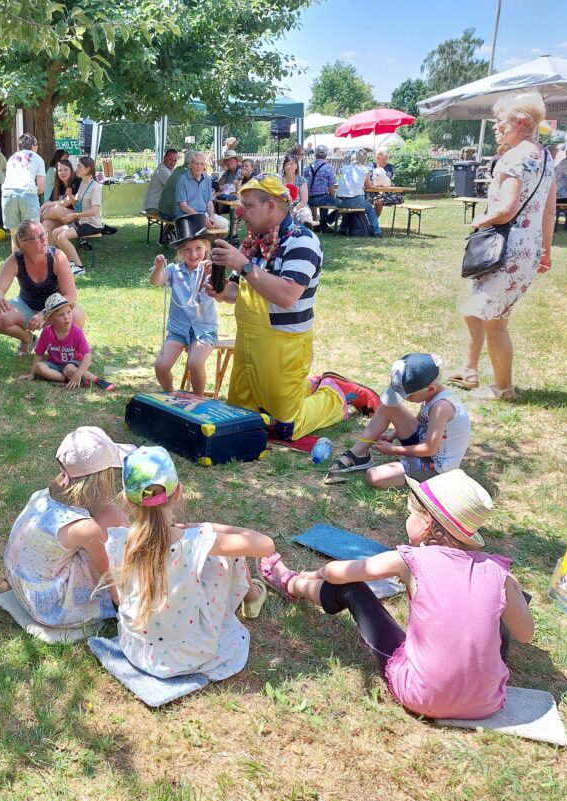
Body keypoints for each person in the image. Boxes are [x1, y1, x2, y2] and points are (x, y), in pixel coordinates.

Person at [259, 469, 534, 721]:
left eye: (410, 512)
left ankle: (290, 583)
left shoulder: (409, 560)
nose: (407, 518)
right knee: (500, 602)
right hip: (487, 702)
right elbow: (525, 634)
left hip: (420, 694)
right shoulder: (499, 574)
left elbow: (336, 574)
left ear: (426, 522)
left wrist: (316, 573)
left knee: (351, 589)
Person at [207, 175, 375, 442]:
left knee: (287, 427)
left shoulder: (302, 241)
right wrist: (219, 291)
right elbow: (236, 292)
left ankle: (337, 393)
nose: (240, 212)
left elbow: (287, 296)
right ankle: (306, 387)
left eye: (248, 206)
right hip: (248, 343)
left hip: (284, 345)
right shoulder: (253, 242)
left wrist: (244, 266)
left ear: (271, 206)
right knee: (241, 422)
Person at [105, 446, 274, 680]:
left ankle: (252, 599)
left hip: (137, 649)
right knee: (225, 557)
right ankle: (253, 599)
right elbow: (265, 544)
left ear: (128, 501)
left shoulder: (118, 539)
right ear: (178, 492)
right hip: (187, 654)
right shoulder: (195, 540)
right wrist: (207, 527)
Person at [448, 92, 554, 401]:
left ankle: (503, 388)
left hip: (503, 248)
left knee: (495, 322)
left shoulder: (514, 157)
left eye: (500, 121)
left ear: (520, 123)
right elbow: (549, 211)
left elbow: (506, 208)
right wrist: (546, 250)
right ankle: (468, 369)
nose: (496, 127)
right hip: (526, 249)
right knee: (476, 308)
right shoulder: (545, 157)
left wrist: (480, 220)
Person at [3, 426, 132, 627]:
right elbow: (109, 574)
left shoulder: (42, 495)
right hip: (50, 607)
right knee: (113, 520)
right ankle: (140, 553)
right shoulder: (86, 529)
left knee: (108, 512)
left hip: (21, 582)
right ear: (103, 477)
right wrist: (122, 605)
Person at [327, 353, 471, 488]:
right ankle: (358, 454)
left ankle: (425, 482)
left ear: (430, 389)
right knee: (388, 407)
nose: (406, 399)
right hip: (423, 445)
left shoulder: (442, 407)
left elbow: (429, 449)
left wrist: (393, 450)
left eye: (407, 396)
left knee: (374, 476)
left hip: (436, 466)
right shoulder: (432, 396)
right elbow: (419, 421)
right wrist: (392, 435)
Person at [0, 219, 84, 355]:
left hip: (54, 310)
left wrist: (44, 314)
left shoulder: (57, 257)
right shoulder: (15, 260)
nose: (44, 238)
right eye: (37, 237)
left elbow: (70, 296)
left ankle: (57, 347)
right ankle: (28, 339)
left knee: (77, 316)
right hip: (26, 306)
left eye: (44, 233)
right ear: (24, 243)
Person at [150, 214, 218, 397]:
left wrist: (211, 276)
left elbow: (220, 292)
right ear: (180, 252)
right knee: (161, 366)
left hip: (204, 329)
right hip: (179, 329)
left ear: (206, 248)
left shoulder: (210, 269)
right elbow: (155, 281)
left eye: (198, 248)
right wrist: (158, 267)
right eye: (187, 250)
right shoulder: (174, 270)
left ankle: (198, 398)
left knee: (195, 364)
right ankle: (170, 395)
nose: (193, 254)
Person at [21, 292, 114, 390]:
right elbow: (39, 353)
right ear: (51, 319)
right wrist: (32, 373)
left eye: (69, 312)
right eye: (61, 315)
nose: (67, 317)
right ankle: (70, 380)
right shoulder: (47, 332)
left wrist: (78, 373)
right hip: (54, 364)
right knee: (39, 367)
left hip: (73, 363)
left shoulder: (77, 332)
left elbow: (88, 356)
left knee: (69, 369)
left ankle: (98, 381)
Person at [50, 156, 105, 276]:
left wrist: (75, 215)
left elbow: (95, 211)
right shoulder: (83, 183)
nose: (77, 168)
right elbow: (77, 204)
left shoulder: (95, 186)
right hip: (82, 222)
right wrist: (70, 196)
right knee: (55, 233)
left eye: (79, 166)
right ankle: (70, 263)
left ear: (87, 169)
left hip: (92, 224)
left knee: (63, 236)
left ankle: (79, 266)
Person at [1, 133, 46, 249]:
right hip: (27, 193)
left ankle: (17, 266)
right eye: (37, 145)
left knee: (15, 235)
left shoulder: (11, 158)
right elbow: (41, 188)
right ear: (33, 146)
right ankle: (31, 265)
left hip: (8, 194)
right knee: (31, 234)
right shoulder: (37, 158)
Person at [176, 152, 229, 230]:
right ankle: (205, 241)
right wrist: (201, 218)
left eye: (202, 164)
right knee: (200, 228)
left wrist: (211, 216)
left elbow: (209, 202)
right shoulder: (182, 179)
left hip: (204, 215)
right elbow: (183, 206)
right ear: (191, 165)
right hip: (187, 215)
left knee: (224, 223)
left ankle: (215, 242)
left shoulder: (207, 178)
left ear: (205, 165)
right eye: (196, 164)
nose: (199, 167)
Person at [336, 150, 382, 237]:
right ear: (365, 159)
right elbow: (367, 184)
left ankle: (343, 228)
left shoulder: (345, 168)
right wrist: (372, 182)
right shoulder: (365, 169)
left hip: (339, 200)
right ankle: (376, 231)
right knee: (370, 209)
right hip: (354, 200)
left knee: (348, 208)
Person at [304, 144, 338, 232]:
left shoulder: (308, 167)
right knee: (344, 204)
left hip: (308, 199)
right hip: (321, 198)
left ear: (315, 154)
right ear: (326, 155)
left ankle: (322, 224)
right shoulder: (328, 168)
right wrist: (333, 198)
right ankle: (325, 223)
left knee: (325, 198)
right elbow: (331, 187)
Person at [40, 158, 79, 235]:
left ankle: (36, 218)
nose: (62, 172)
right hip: (63, 218)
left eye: (65, 170)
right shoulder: (59, 185)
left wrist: (45, 205)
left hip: (77, 216)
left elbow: (66, 202)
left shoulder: (76, 182)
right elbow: (50, 201)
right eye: (60, 170)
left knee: (56, 209)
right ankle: (50, 247)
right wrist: (47, 204)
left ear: (71, 170)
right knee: (46, 224)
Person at [368, 148, 403, 217]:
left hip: (385, 191)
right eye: (377, 154)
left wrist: (380, 193)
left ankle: (373, 223)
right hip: (371, 190)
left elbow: (386, 181)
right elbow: (368, 179)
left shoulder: (389, 167)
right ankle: (362, 223)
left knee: (379, 201)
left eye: (380, 154)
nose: (377, 156)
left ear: (385, 157)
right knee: (360, 200)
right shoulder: (371, 166)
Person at [281, 154, 313, 228]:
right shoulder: (279, 180)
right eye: (287, 164)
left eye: (291, 164)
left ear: (296, 166)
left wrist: (295, 210)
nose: (289, 166)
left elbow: (304, 201)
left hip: (299, 207)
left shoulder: (301, 180)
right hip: (282, 206)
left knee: (305, 213)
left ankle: (307, 229)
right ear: (284, 167)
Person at [156, 151, 190, 221]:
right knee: (195, 218)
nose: (173, 163)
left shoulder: (177, 170)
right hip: (156, 207)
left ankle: (168, 232)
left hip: (163, 208)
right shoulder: (162, 170)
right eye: (170, 160)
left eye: (175, 160)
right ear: (164, 158)